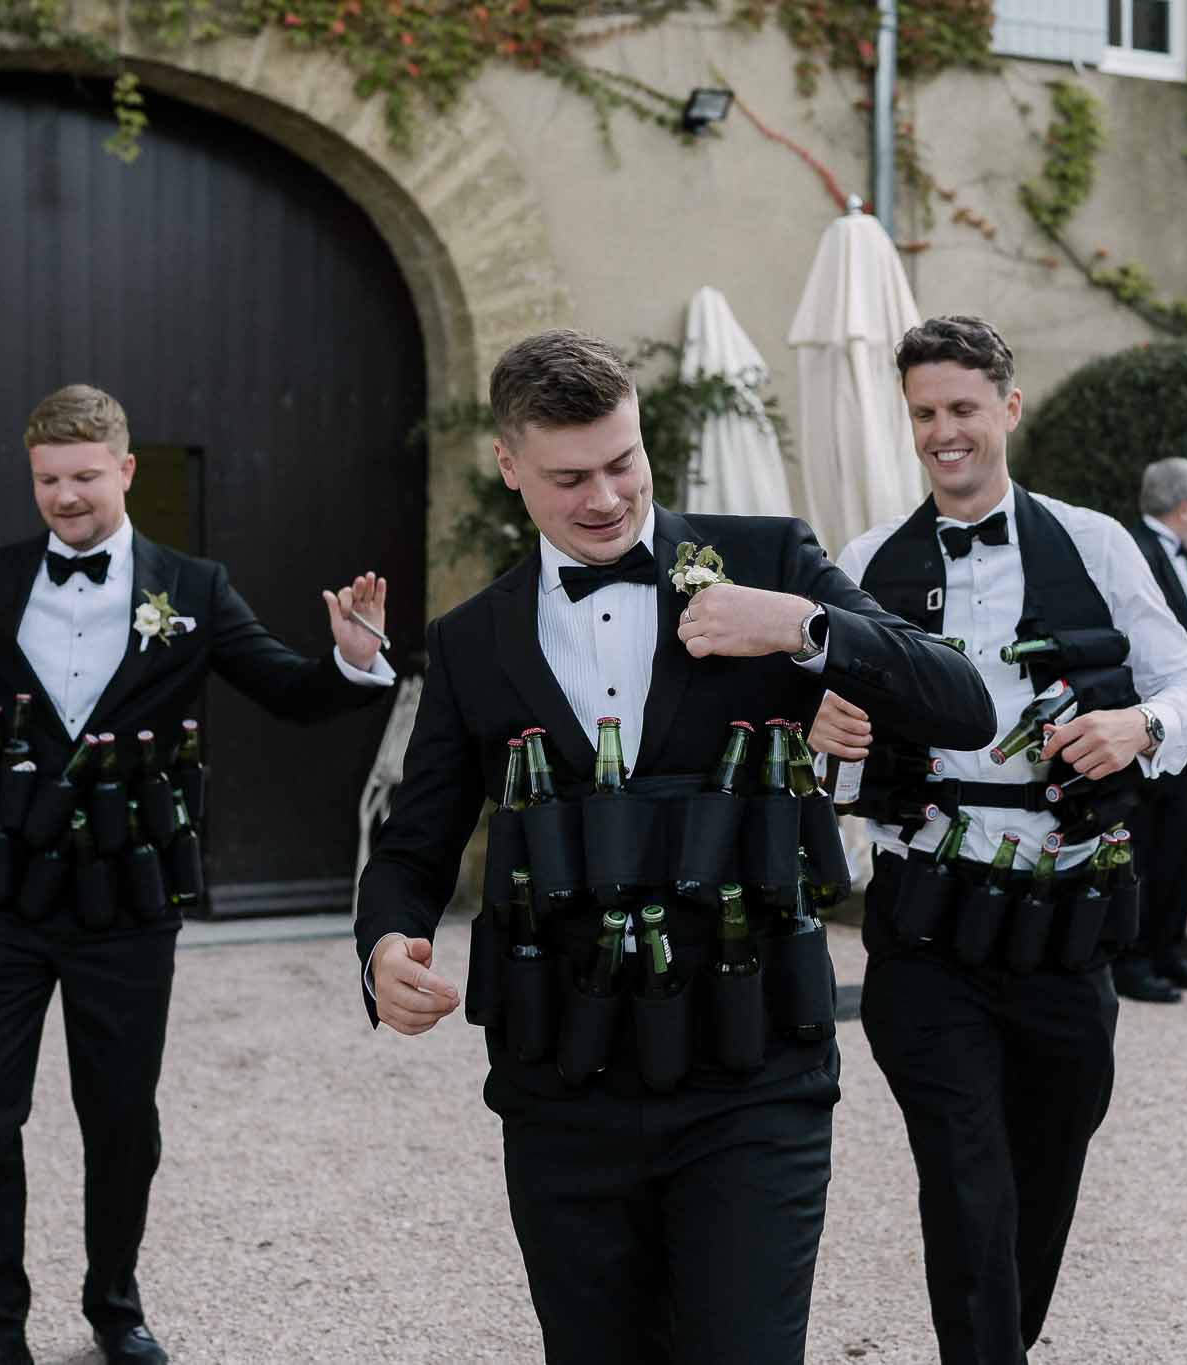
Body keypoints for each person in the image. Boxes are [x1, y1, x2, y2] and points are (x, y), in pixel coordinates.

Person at [354, 329, 992, 1363]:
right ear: (508, 467)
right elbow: (412, 845)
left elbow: (958, 703)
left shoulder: (770, 559)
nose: (605, 498)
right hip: (560, 1083)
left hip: (752, 1073)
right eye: (568, 478)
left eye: (622, 464)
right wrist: (385, 945)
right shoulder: (473, 641)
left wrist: (800, 625)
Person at [0, 384, 395, 1365]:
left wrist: (350, 660)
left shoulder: (194, 589)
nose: (65, 497)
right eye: (48, 480)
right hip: (1, 895)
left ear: (125, 470)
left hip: (128, 902)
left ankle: (114, 1305)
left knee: (121, 1122)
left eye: (84, 478)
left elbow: (287, 693)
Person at [809, 316, 1187, 1365]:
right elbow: (833, 753)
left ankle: (998, 1347)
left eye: (960, 409)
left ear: (1006, 408)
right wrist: (829, 736)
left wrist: (1138, 728)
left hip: (1065, 916)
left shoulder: (1094, 542)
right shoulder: (864, 561)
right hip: (924, 921)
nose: (942, 433)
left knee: (1045, 1166)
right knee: (962, 1171)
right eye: (923, 415)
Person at [1117, 457, 1187, 1003]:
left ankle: (1167, 949)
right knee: (1145, 846)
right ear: (1185, 506)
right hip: (1155, 726)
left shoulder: (1173, 553)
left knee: (1178, 843)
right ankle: (1133, 959)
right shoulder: (1137, 550)